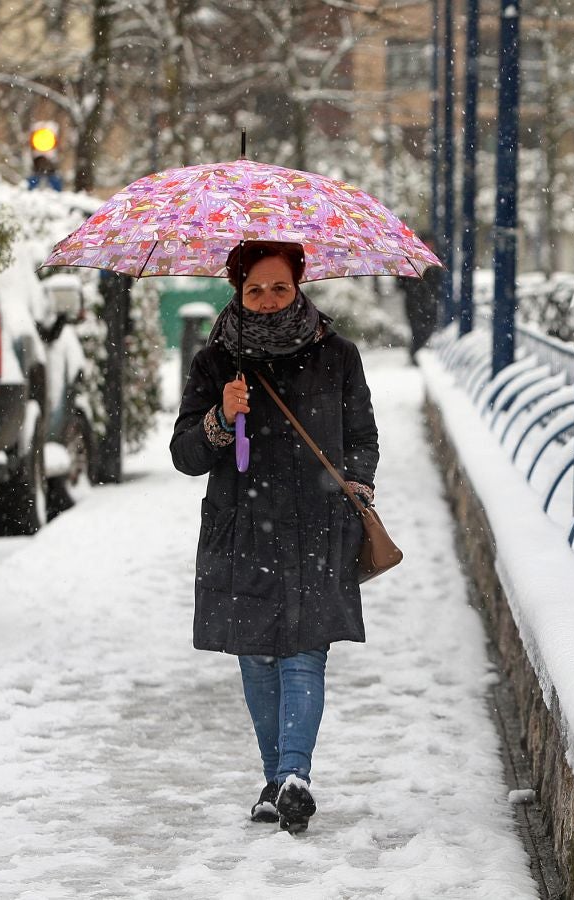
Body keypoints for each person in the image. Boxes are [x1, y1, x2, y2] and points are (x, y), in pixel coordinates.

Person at [170, 241, 379, 835]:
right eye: (255, 289)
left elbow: (362, 437)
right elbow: (185, 455)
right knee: (258, 657)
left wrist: (358, 487)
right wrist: (219, 418)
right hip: (243, 530)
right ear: (238, 289)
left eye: (279, 288)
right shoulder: (216, 364)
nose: (267, 301)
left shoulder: (338, 354)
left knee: (305, 653)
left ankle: (296, 776)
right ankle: (275, 782)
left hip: (317, 527)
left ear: (300, 285)